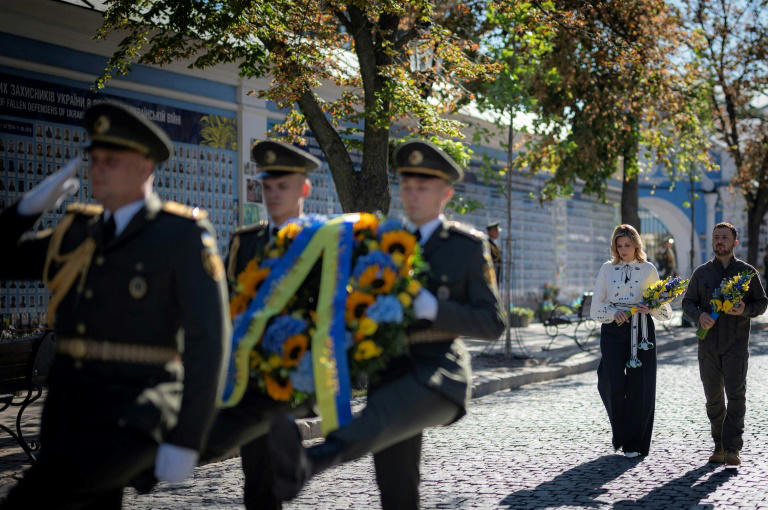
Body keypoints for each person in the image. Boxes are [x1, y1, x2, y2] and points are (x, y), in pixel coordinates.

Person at [0, 101, 230, 508]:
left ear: (145, 166)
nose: (98, 169)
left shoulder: (180, 235)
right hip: (69, 415)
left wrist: (187, 439)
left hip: (135, 416)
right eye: (94, 159)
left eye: (111, 160)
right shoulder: (75, 233)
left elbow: (208, 342)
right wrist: (24, 210)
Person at [267, 139, 506, 509]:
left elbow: (492, 323)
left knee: (385, 411)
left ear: (446, 193)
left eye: (423, 187)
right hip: (388, 366)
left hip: (439, 372)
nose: (412, 195)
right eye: (407, 186)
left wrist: (432, 308)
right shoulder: (381, 243)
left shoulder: (466, 246)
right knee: (396, 489)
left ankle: (310, 461)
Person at [199, 140, 320, 510]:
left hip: (301, 371)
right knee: (257, 479)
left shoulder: (322, 242)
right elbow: (229, 305)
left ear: (304, 189)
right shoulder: (245, 241)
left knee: (268, 440)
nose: (273, 195)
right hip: (251, 373)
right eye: (267, 187)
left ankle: (291, 462)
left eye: (282, 187)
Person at [682, 222, 767, 466]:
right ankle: (718, 444)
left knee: (736, 395)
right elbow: (688, 303)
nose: (719, 241)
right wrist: (699, 316)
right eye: (716, 237)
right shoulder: (701, 273)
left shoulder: (747, 272)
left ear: (734, 243)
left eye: (724, 237)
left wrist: (743, 309)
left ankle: (732, 448)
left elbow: (761, 304)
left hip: (736, 344)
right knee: (713, 398)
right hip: (707, 345)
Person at [590, 224, 671, 458]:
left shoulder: (648, 269)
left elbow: (665, 311)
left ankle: (635, 443)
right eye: (619, 245)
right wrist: (611, 313)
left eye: (627, 245)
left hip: (642, 330)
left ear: (636, 244)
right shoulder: (607, 269)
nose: (623, 250)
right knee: (610, 381)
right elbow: (596, 309)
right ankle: (621, 432)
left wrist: (652, 307)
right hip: (613, 330)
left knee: (641, 387)